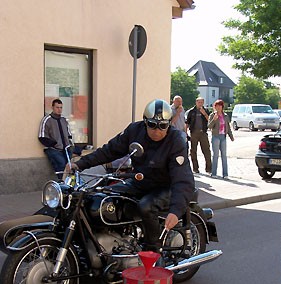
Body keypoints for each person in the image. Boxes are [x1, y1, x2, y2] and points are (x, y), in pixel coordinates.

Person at [66, 99, 195, 251]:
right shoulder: (135, 131)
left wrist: (175, 210)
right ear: (145, 121)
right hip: (140, 182)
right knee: (102, 196)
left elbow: (182, 179)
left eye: (163, 125)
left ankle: (153, 251)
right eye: (152, 124)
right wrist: (80, 164)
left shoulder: (176, 140)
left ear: (169, 124)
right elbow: (110, 150)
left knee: (146, 206)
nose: (157, 130)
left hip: (167, 186)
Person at [38, 98, 81, 179]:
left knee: (71, 168)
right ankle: (63, 186)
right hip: (54, 149)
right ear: (53, 107)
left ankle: (70, 185)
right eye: (57, 107)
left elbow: (69, 135)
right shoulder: (47, 120)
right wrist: (53, 144)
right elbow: (42, 136)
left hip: (66, 149)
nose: (59, 110)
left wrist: (72, 147)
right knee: (61, 167)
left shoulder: (64, 120)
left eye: (61, 107)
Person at [208, 99, 234, 179]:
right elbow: (209, 126)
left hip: (223, 137)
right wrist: (214, 120)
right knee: (215, 155)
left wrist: (231, 136)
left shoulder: (225, 116)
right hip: (215, 136)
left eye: (220, 106)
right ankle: (214, 173)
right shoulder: (212, 115)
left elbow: (228, 127)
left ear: (222, 107)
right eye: (216, 106)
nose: (218, 107)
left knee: (224, 156)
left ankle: (225, 174)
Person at [186, 97, 212, 174]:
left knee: (207, 151)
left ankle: (209, 168)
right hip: (194, 133)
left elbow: (210, 121)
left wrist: (204, 114)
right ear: (196, 102)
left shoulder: (206, 110)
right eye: (199, 102)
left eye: (201, 102)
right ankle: (195, 168)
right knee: (193, 151)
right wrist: (185, 132)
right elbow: (187, 122)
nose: (200, 104)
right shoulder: (191, 111)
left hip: (203, 133)